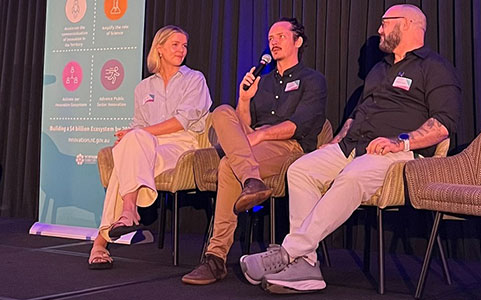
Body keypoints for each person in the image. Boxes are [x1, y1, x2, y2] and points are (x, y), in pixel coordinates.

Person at [240, 4, 461, 294]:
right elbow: (358, 113)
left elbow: (444, 123)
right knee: (301, 169)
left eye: (385, 23)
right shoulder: (380, 69)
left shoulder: (434, 66)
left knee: (354, 175)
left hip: (400, 153)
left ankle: (288, 253)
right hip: (353, 145)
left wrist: (401, 141)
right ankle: (306, 265)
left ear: (407, 24)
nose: (379, 30)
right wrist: (335, 144)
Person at [181, 17, 327, 285]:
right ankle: (252, 180)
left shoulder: (313, 80)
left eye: (280, 36)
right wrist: (245, 99)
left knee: (228, 166)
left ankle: (215, 258)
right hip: (252, 148)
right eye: (270, 38)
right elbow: (244, 124)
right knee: (223, 111)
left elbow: (301, 124)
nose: (273, 42)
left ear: (298, 41)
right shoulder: (263, 80)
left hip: (290, 149)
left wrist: (260, 135)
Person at [88, 25, 212, 269]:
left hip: (183, 147)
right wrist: (129, 137)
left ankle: (102, 241)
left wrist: (136, 135)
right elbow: (139, 124)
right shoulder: (143, 87)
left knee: (131, 149)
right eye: (175, 44)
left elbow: (181, 122)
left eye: (184, 45)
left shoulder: (194, 79)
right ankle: (126, 214)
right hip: (148, 145)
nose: (181, 50)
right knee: (130, 145)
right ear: (160, 49)